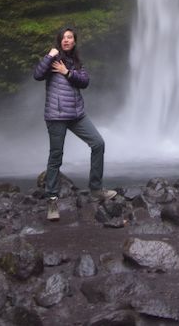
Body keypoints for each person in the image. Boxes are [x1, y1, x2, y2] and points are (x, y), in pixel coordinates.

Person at [33, 25, 116, 220]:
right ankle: (52, 201)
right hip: (56, 116)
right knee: (56, 156)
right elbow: (37, 75)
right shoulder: (52, 60)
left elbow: (84, 81)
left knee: (98, 143)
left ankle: (96, 189)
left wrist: (67, 72)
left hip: (77, 115)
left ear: (75, 41)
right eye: (63, 38)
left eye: (70, 37)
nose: (66, 40)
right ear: (59, 41)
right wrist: (49, 56)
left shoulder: (75, 62)